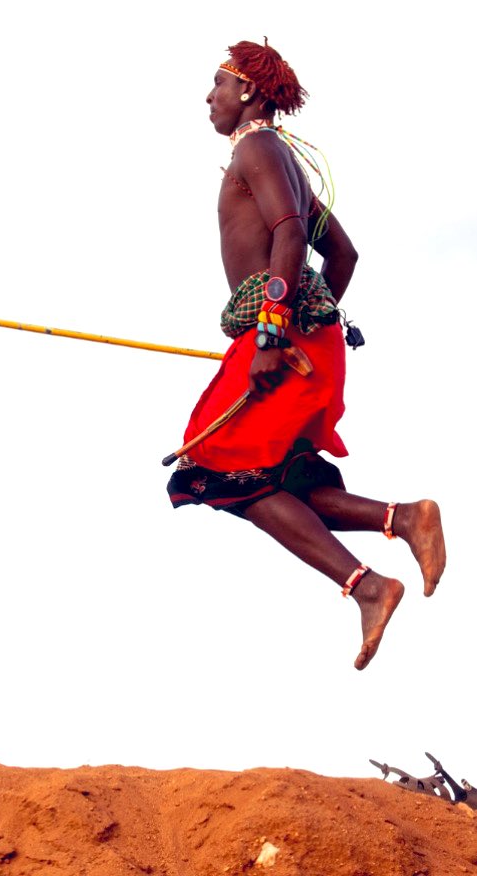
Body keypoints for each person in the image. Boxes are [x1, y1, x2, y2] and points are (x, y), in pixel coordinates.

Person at [166, 39, 445, 670]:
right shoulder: (278, 158)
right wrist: (312, 319)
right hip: (297, 336)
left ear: (248, 92)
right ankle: (404, 522)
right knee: (281, 480)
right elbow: (340, 257)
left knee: (211, 468)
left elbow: (292, 233)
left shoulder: (257, 148)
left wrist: (274, 333)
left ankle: (371, 585)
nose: (208, 97)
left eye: (216, 83)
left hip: (278, 340)